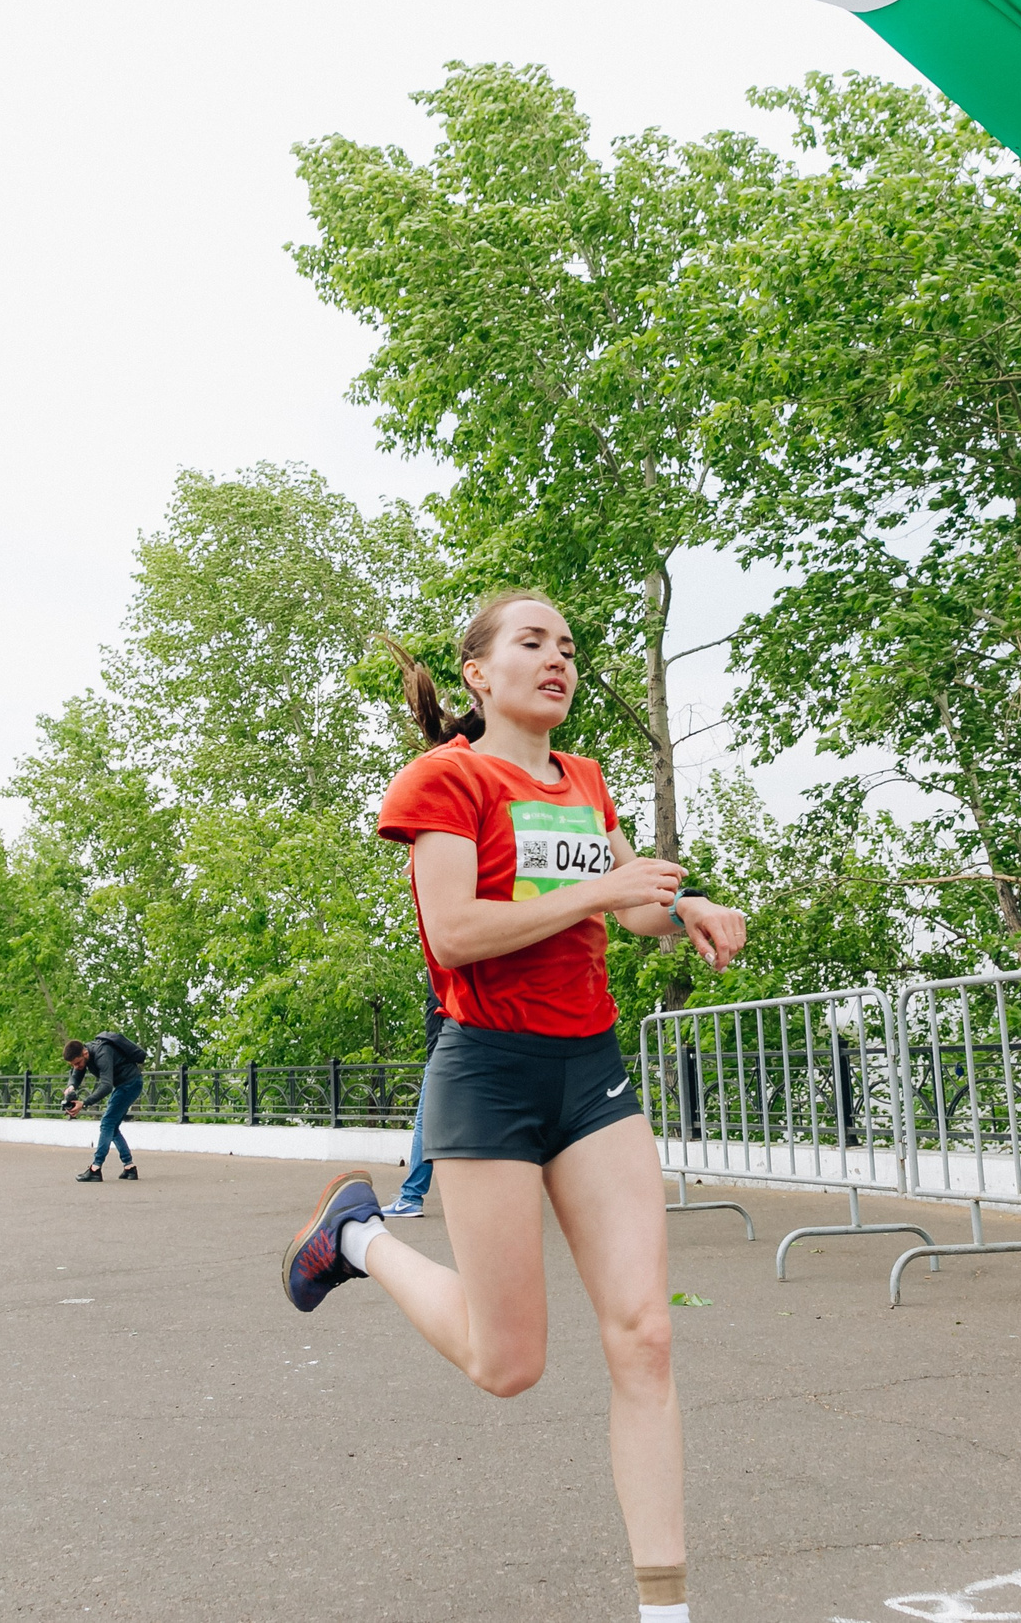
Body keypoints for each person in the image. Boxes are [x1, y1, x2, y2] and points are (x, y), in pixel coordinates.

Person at [281, 591, 747, 1623]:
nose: (558, 660)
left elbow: (626, 914)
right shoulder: (443, 779)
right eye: (531, 643)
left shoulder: (582, 780)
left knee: (645, 1338)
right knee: (509, 1365)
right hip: (487, 1072)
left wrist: (683, 908)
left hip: (590, 1073)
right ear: (479, 673)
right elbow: (453, 932)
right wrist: (602, 889)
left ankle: (665, 1612)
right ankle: (356, 1238)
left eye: (569, 648)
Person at [380, 991, 447, 1220]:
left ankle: (411, 1197)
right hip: (459, 1049)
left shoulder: (443, 959)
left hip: (445, 1051)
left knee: (425, 1123)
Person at [63, 1032, 145, 1182]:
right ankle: (129, 1167)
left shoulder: (102, 1053)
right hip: (123, 1085)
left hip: (130, 1083)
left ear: (85, 1053)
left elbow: (106, 1085)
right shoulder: (84, 1054)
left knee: (107, 1123)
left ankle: (95, 1168)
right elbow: (77, 1074)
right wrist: (71, 1086)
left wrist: (85, 1103)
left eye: (77, 1063)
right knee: (112, 1127)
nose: (76, 1067)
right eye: (73, 1064)